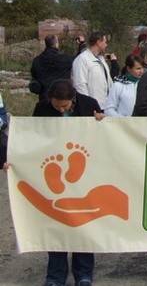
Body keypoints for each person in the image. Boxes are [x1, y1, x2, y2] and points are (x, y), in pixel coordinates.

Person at [34, 79, 104, 286]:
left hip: (87, 172)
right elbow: (31, 138)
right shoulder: (42, 108)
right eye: (57, 106)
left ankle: (84, 274)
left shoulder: (89, 104)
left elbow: (104, 135)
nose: (61, 109)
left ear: (72, 99)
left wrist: (101, 119)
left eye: (64, 106)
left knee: (83, 222)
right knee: (56, 223)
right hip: (53, 170)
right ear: (50, 101)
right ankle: (55, 276)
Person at [30, 34, 80, 102]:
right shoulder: (62, 59)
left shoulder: (37, 60)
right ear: (56, 44)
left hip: (44, 96)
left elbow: (34, 75)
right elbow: (78, 59)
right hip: (61, 96)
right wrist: (81, 45)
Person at [71, 31, 114, 108]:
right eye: (105, 42)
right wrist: (88, 106)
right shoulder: (82, 60)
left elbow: (108, 82)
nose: (106, 45)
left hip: (105, 106)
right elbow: (80, 85)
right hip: (92, 108)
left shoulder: (102, 60)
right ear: (98, 42)